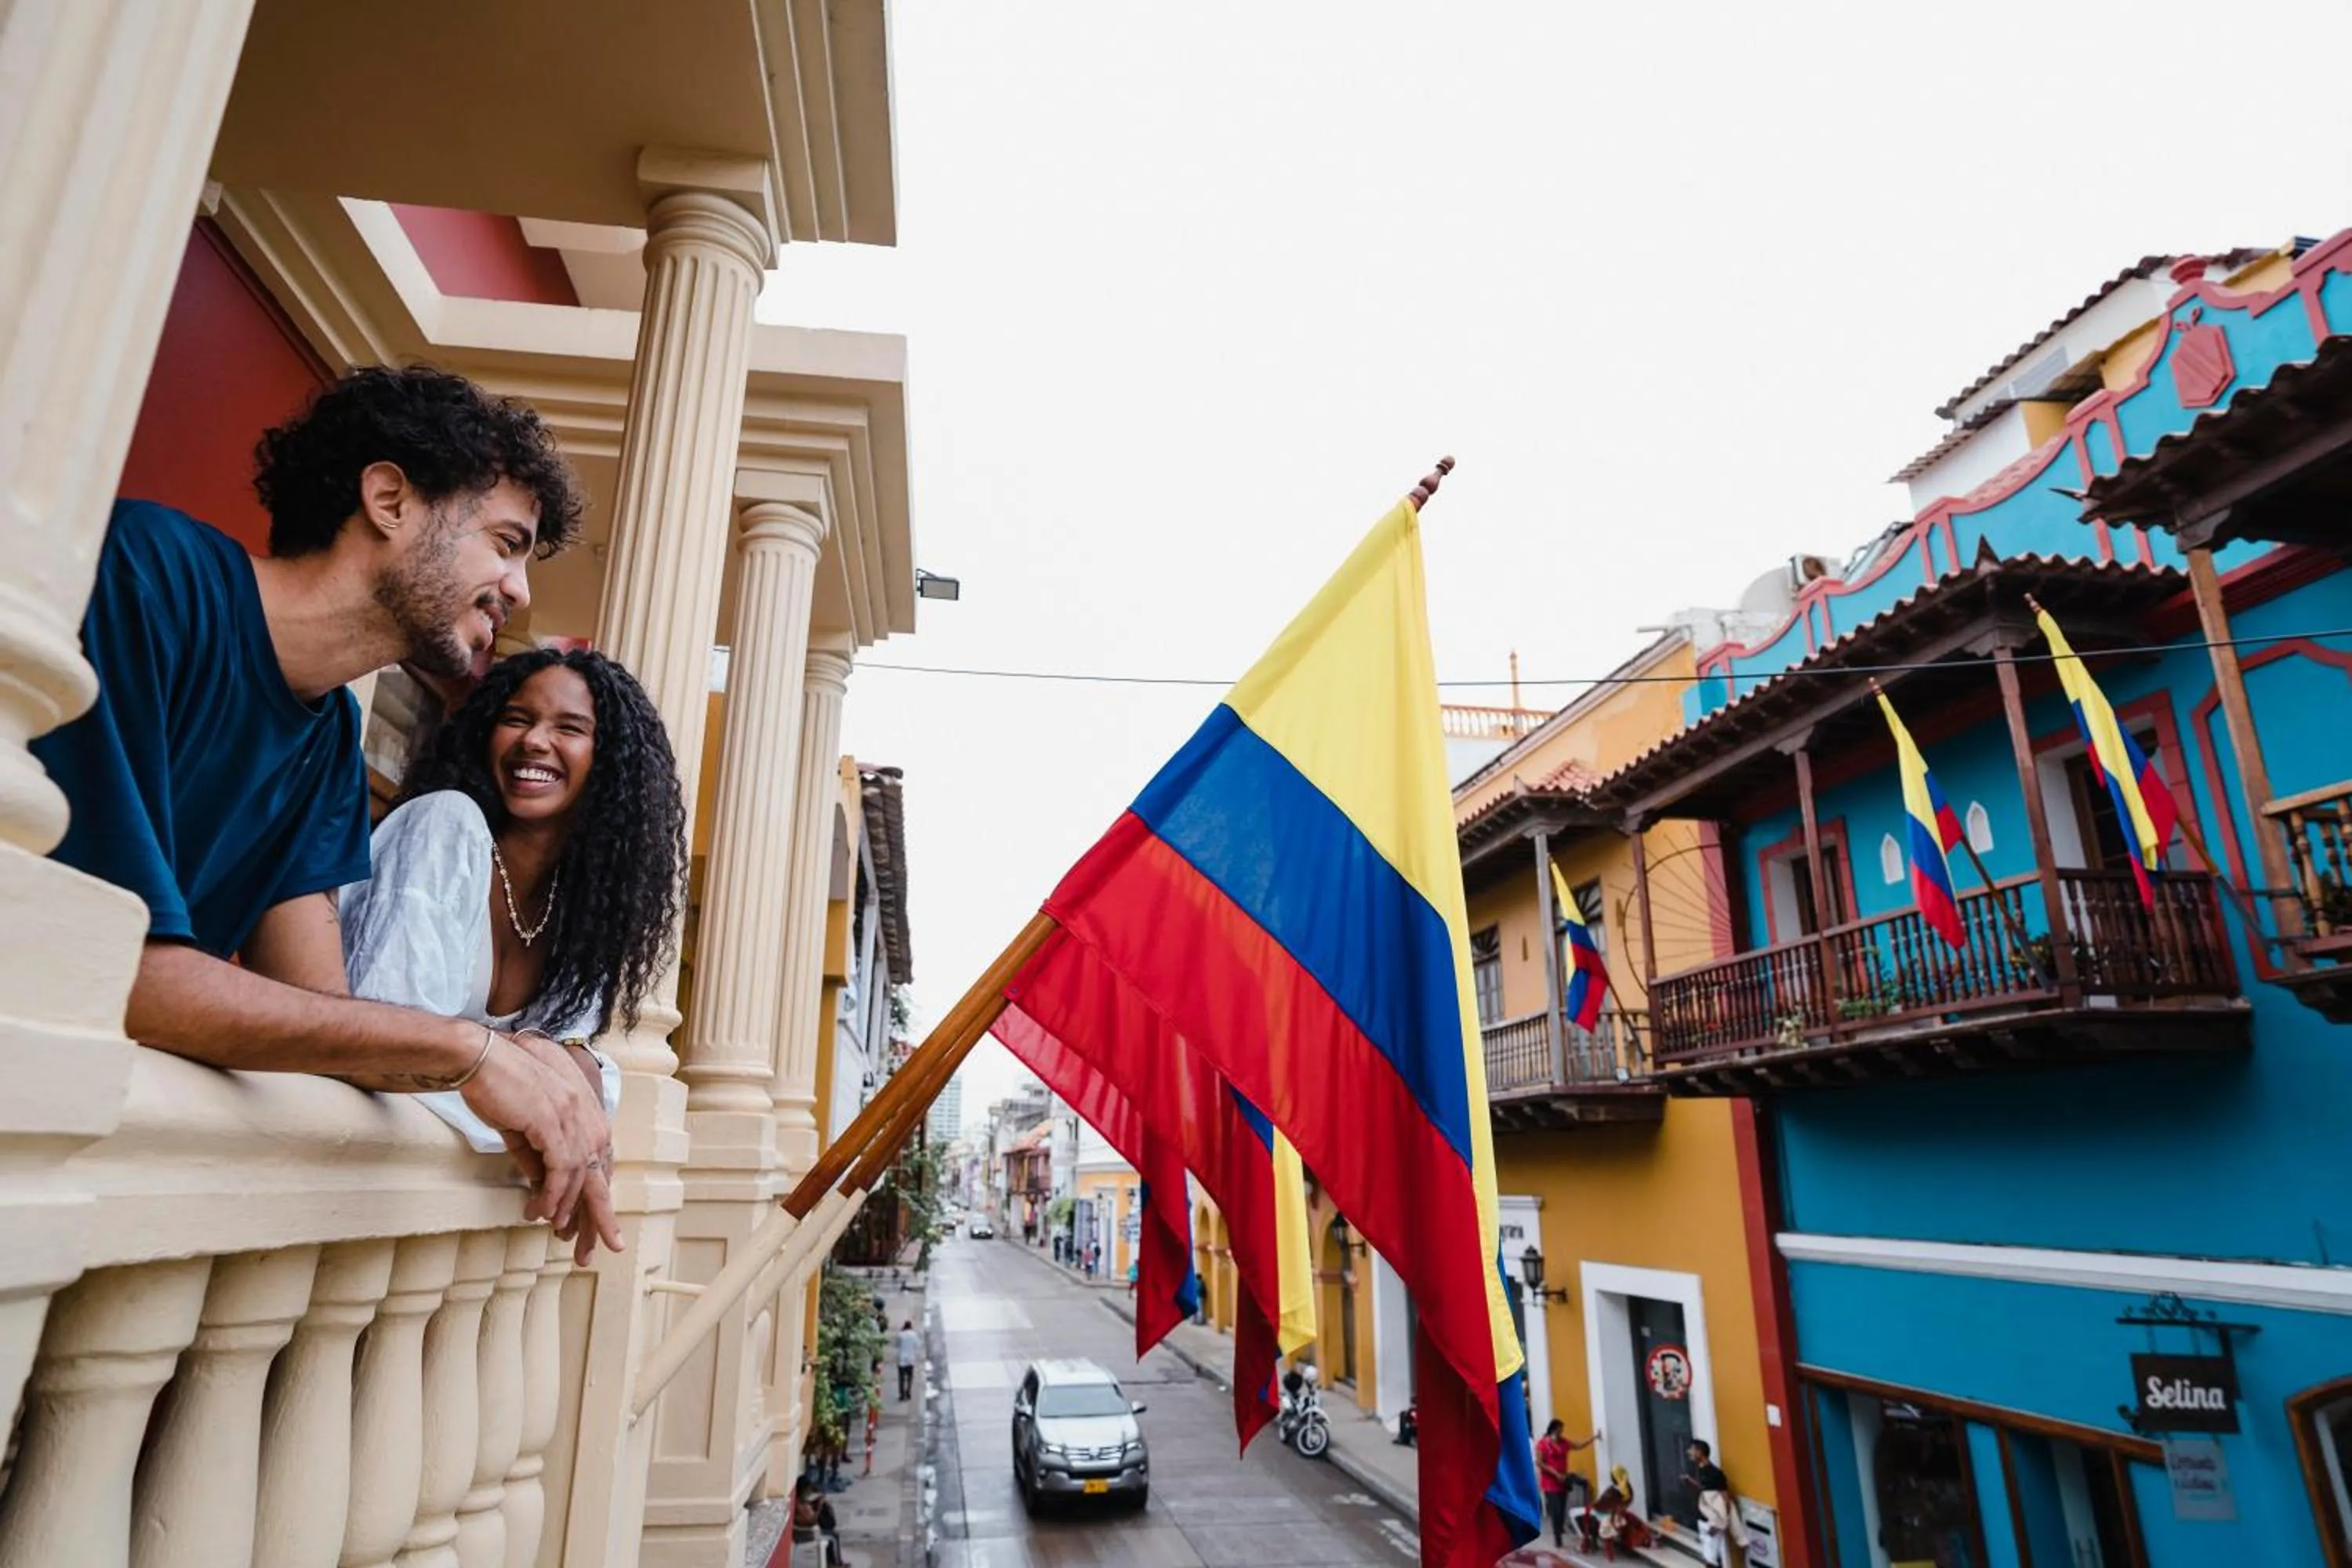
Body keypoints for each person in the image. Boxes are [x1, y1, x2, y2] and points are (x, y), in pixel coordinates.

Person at [32, 365, 619, 1252]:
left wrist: (545, 1066)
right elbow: (119, 972)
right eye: (505, 542)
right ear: (390, 499)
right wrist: (469, 1050)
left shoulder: (326, 745)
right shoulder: (151, 579)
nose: (521, 591)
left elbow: (316, 1013)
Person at [337, 647, 684, 1260]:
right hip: (353, 1182)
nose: (534, 742)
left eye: (569, 728)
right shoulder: (445, 826)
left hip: (434, 1224)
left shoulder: (584, 906)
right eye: (517, 718)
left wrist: (551, 1062)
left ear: (611, 764)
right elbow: (390, 1042)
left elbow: (580, 1077)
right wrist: (534, 1073)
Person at [1534, 1418, 1600, 1548]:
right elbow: (1539, 1462)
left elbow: (1578, 1445)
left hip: (1563, 1481)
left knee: (1562, 1508)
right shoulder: (1542, 1444)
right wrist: (1555, 1473)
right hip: (1550, 1482)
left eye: (1561, 1431)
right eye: (1559, 1431)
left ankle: (1559, 1530)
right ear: (1552, 1430)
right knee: (1556, 1510)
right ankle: (1557, 1537)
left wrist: (1594, 1438)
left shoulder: (1564, 1443)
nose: (1561, 1433)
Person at [1684, 1438, 1750, 1566]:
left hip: (1716, 1518)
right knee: (1711, 1553)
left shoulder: (1714, 1473)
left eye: (1692, 1450)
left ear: (1700, 1452)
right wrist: (1691, 1482)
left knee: (1711, 1554)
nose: (1689, 1452)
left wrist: (1719, 1522)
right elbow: (1705, 1488)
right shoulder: (1701, 1470)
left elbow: (1724, 1496)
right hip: (1709, 1515)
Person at [792, 1476, 848, 1566]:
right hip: (805, 1534)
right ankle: (836, 1563)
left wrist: (818, 1501)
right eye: (809, 1490)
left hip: (808, 1530)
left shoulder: (801, 1500)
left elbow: (809, 1507)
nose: (809, 1492)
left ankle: (831, 1560)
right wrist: (819, 1507)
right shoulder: (800, 1505)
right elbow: (812, 1521)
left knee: (830, 1529)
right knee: (834, 1537)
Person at [895, 1318, 920, 1400]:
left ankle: (902, 1395)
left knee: (901, 1379)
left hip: (901, 1360)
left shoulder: (901, 1334)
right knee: (910, 1378)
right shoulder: (914, 1334)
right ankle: (908, 1392)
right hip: (911, 1359)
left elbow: (897, 1345)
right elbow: (918, 1345)